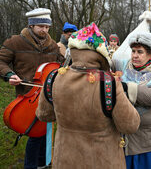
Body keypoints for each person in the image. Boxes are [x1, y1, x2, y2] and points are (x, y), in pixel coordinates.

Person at [36, 22, 140, 169]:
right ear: (102, 54)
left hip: (65, 160)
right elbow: (130, 125)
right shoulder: (108, 82)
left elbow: (44, 115)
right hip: (103, 161)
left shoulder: (54, 77)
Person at [0, 8, 64, 168]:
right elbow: (1, 61)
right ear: (31, 26)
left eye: (47, 27)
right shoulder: (15, 42)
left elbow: (60, 65)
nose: (44, 30)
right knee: (35, 134)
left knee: (45, 132)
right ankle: (31, 165)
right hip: (27, 96)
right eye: (41, 26)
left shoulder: (53, 46)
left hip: (48, 96)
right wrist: (9, 75)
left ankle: (43, 163)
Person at [113, 31, 151, 169]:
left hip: (147, 139)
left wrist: (127, 87)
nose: (135, 55)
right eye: (133, 51)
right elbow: (109, 63)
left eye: (140, 52)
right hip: (126, 134)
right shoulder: (127, 66)